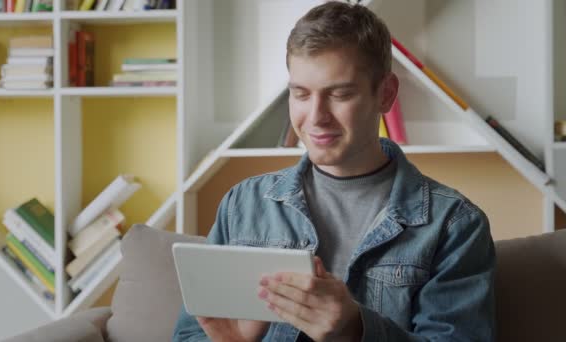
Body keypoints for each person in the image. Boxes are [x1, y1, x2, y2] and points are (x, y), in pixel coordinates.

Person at [173, 1, 496, 341]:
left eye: (339, 94)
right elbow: (189, 334)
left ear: (385, 94)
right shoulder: (243, 205)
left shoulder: (454, 224)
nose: (316, 117)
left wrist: (355, 328)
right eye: (300, 94)